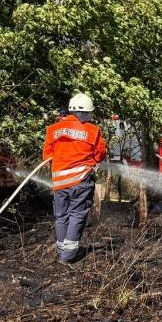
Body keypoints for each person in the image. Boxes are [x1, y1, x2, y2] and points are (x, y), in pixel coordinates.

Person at [43, 93, 107, 263]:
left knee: (61, 216)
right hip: (80, 182)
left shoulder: (53, 129)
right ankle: (68, 256)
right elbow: (100, 154)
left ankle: (62, 251)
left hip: (59, 183)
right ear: (84, 113)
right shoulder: (92, 131)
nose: (91, 116)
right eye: (90, 113)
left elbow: (47, 155)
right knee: (77, 215)